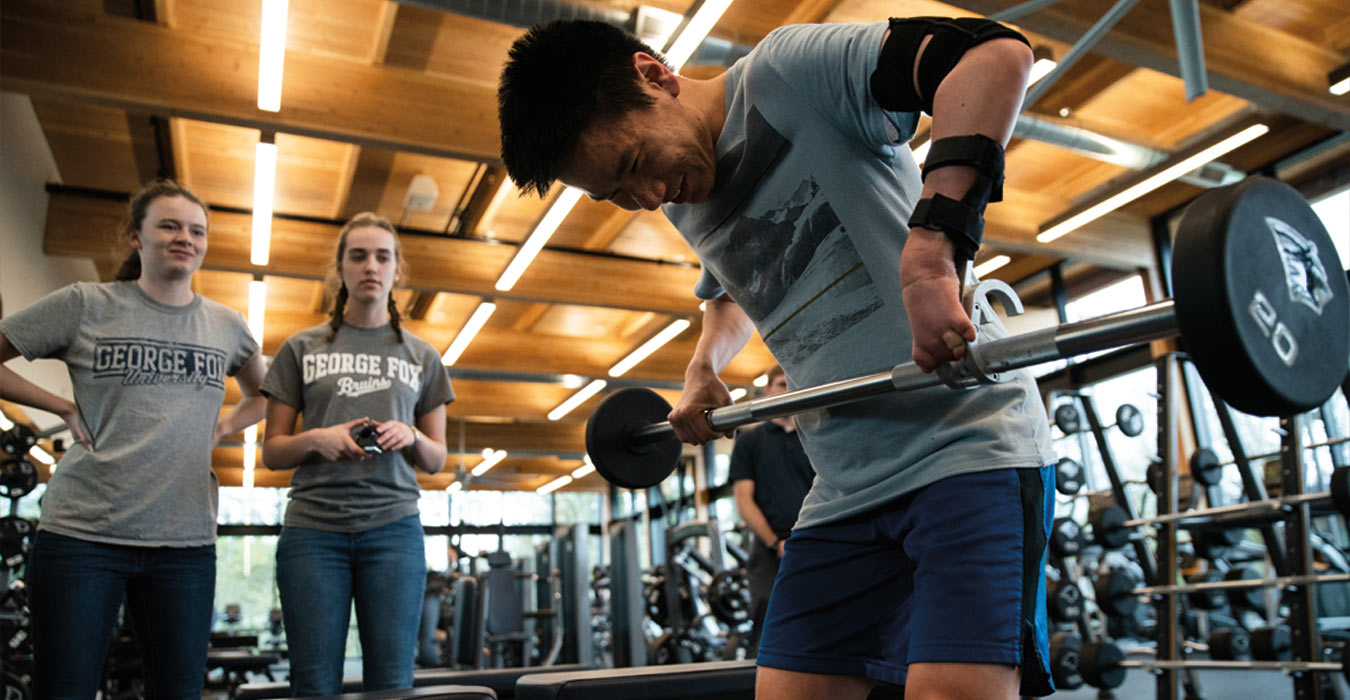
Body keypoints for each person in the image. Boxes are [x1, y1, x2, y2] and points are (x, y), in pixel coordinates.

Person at [498, 17, 1056, 700]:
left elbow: (990, 54)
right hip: (846, 482)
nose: (644, 198)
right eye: (615, 194)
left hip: (967, 445)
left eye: (633, 165)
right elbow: (733, 287)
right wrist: (705, 369)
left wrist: (935, 245)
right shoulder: (686, 191)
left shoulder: (787, 73)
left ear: (655, 77)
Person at [0, 179, 267, 698]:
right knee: (66, 690)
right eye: (168, 225)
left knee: (179, 692)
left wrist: (224, 424)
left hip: (183, 542)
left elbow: (268, 395)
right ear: (135, 237)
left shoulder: (226, 326)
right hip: (83, 535)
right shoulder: (84, 304)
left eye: (196, 230)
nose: (183, 237)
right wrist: (59, 405)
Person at [261, 211, 452, 695]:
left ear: (396, 270)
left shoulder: (422, 357)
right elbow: (274, 452)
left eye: (382, 257)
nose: (371, 265)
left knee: (391, 683)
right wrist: (317, 439)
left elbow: (437, 459)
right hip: (313, 534)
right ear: (341, 268)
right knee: (314, 684)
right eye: (359, 255)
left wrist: (410, 436)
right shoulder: (299, 348)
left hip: (393, 532)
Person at [729, 365, 815, 656]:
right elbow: (744, 501)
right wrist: (775, 542)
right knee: (769, 634)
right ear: (767, 391)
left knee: (820, 629)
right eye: (780, 384)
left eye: (792, 383)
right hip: (769, 553)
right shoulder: (749, 441)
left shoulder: (815, 436)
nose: (787, 390)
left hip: (816, 543)